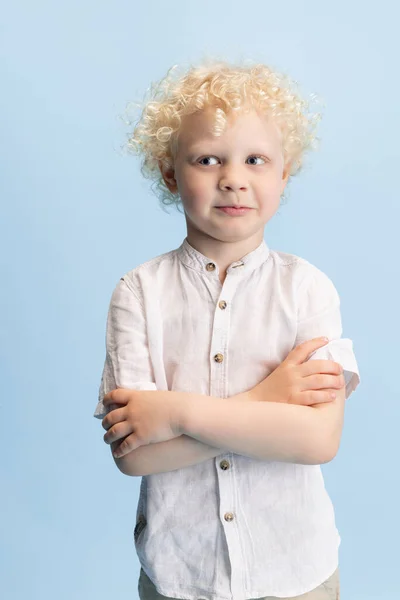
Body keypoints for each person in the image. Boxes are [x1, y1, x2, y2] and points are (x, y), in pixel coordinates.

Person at [93, 58, 360, 600]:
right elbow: (136, 456)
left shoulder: (308, 290)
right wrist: (266, 400)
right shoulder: (138, 293)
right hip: (180, 575)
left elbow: (316, 439)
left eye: (256, 159)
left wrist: (174, 411)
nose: (233, 178)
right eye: (207, 159)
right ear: (171, 173)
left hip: (297, 572)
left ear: (284, 172)